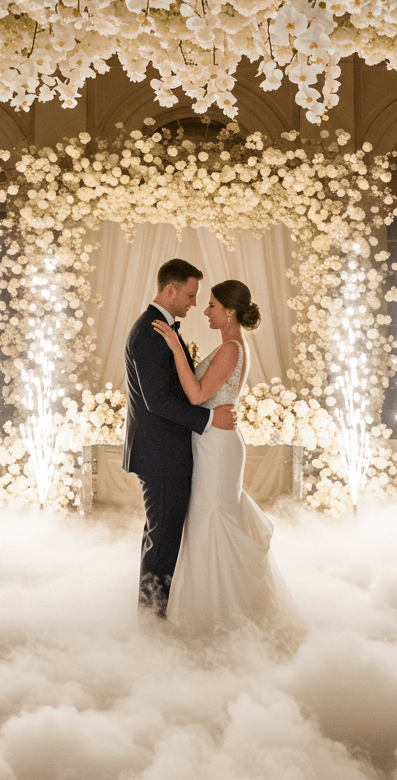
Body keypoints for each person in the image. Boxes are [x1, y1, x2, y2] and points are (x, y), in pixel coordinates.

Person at [152, 279, 302, 637]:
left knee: (212, 519)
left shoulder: (232, 349)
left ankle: (223, 616)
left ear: (229, 312)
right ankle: (212, 609)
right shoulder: (229, 347)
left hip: (218, 446)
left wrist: (174, 346)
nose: (205, 311)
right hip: (212, 440)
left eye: (212, 306)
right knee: (206, 519)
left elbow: (197, 394)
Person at [123, 258, 237, 617]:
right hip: (162, 455)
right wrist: (208, 418)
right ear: (169, 290)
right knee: (163, 540)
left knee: (160, 536)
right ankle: (151, 622)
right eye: (190, 295)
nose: (193, 304)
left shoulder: (159, 327)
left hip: (166, 452)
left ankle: (152, 615)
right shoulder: (148, 333)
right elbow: (157, 401)